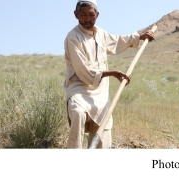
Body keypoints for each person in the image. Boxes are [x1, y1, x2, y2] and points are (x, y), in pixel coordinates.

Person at [64, 0, 155, 149]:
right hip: (79, 89)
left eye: (91, 15)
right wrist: (113, 73)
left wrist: (140, 37)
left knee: (103, 131)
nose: (88, 19)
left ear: (97, 15)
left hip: (100, 93)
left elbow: (118, 41)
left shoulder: (100, 33)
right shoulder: (72, 37)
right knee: (78, 113)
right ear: (76, 15)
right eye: (83, 15)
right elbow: (83, 70)